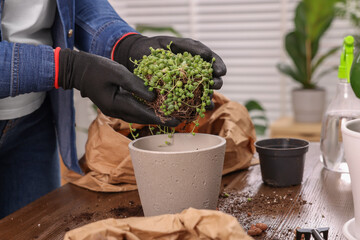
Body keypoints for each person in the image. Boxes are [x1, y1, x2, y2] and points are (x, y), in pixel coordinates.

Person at [0, 0, 226, 218]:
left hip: (33, 120)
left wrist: (124, 44)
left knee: (34, 228)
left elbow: (71, 4)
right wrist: (66, 69)